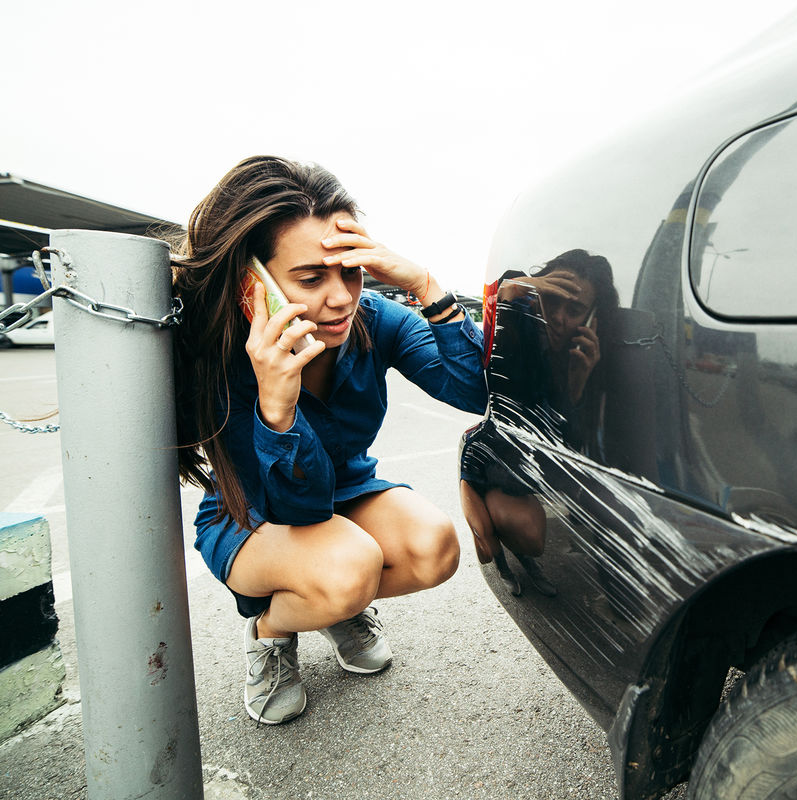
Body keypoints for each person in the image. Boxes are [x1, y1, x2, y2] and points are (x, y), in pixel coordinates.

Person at [172, 155, 486, 724]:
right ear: (254, 283)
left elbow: (470, 389)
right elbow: (298, 506)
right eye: (312, 278)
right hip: (256, 516)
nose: (341, 298)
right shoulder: (224, 356)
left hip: (346, 493)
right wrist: (277, 406)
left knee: (435, 546)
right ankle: (272, 630)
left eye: (352, 271)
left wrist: (425, 286)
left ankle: (333, 603)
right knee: (347, 568)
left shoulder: (374, 318)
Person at [459, 249, 617, 596]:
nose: (557, 318)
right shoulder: (522, 338)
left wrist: (577, 387)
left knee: (531, 540)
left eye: (573, 309)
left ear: (594, 317)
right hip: (488, 458)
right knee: (487, 544)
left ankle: (532, 569)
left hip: (526, 462)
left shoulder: (595, 359)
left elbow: (572, 447)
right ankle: (506, 571)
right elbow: (504, 389)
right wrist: (516, 290)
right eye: (550, 300)